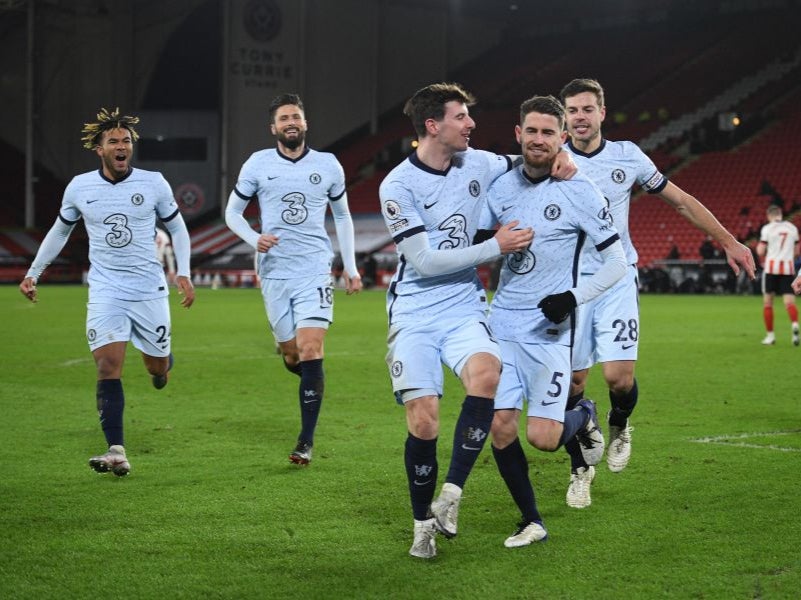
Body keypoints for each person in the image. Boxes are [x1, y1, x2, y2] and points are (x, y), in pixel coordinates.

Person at [378, 82, 575, 559]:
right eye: (461, 117)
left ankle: (451, 496)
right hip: (415, 312)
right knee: (424, 422)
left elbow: (530, 159)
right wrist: (495, 247)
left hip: (464, 304)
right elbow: (422, 261)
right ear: (433, 125)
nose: (470, 125)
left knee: (487, 373)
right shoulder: (397, 185)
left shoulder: (479, 163)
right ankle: (421, 523)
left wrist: (566, 158)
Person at [559, 78, 756, 508]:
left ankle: (620, 424)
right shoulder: (551, 160)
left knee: (618, 378)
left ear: (602, 113)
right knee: (572, 383)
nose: (580, 117)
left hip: (616, 277)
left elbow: (681, 201)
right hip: (569, 285)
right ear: (564, 116)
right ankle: (580, 470)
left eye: (587, 109)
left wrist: (728, 240)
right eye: (572, 110)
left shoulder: (626, 156)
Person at [481, 95, 627, 547]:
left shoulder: (580, 189)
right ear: (518, 135)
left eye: (548, 132)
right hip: (502, 324)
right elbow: (479, 243)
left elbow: (617, 263)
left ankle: (583, 415)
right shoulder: (500, 188)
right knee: (500, 426)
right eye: (532, 131)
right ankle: (531, 520)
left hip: (550, 332)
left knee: (543, 437)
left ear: (562, 138)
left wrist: (572, 296)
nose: (539, 139)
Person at [19, 107, 195, 476]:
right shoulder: (80, 187)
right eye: (113, 141)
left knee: (156, 366)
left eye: (126, 141)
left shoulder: (154, 183)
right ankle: (116, 449)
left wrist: (184, 272)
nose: (121, 146)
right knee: (107, 366)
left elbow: (177, 230)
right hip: (106, 289)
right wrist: (34, 272)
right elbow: (60, 231)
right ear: (99, 149)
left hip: (149, 289)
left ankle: (163, 365)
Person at [225, 93, 362, 466]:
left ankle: (305, 441)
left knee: (311, 349)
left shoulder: (328, 165)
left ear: (305, 123)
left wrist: (350, 267)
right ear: (273, 128)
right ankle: (304, 373)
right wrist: (255, 239)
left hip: (314, 268)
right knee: (292, 356)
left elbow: (344, 218)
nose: (291, 122)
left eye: (296, 117)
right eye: (284, 118)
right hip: (274, 272)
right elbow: (232, 213)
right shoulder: (257, 164)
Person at [756, 205, 799, 345]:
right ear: (780, 214)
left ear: (769, 215)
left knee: (768, 303)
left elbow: (761, 251)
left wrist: (762, 249)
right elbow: (797, 252)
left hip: (771, 269)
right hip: (788, 269)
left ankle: (770, 336)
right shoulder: (792, 228)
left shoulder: (768, 228)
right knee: (789, 303)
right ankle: (794, 325)